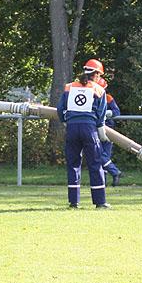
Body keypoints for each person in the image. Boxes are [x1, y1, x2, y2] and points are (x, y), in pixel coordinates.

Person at [57, 59, 109, 209]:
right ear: (96, 74)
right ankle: (100, 202)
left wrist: (66, 121)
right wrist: (100, 129)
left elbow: (61, 109)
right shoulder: (99, 90)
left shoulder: (69, 87)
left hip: (72, 128)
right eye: (99, 75)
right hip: (89, 129)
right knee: (95, 163)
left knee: (73, 164)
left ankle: (74, 201)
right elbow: (101, 113)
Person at [95, 76, 124, 187]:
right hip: (96, 129)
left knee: (102, 155)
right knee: (101, 155)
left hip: (108, 129)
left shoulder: (108, 98)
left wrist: (105, 113)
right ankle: (111, 176)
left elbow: (117, 112)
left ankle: (113, 173)